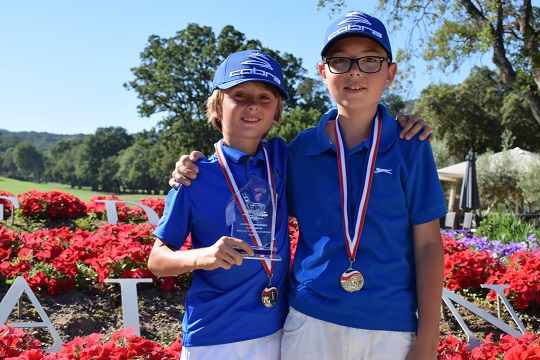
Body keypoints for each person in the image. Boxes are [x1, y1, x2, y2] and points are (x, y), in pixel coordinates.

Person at [172, 11, 446, 360]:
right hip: (310, 321)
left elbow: (427, 245)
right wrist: (190, 165)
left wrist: (428, 340)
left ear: (390, 73)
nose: (355, 70)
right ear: (323, 72)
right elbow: (237, 163)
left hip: (390, 327)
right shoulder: (296, 151)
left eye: (371, 60)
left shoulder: (411, 146)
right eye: (340, 61)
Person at [148, 49, 291, 360]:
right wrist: (204, 256)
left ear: (277, 111)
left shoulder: (283, 160)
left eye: (265, 97)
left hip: (278, 330)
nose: (253, 104)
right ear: (216, 107)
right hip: (213, 336)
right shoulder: (194, 177)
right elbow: (156, 261)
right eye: (239, 95)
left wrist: (400, 121)